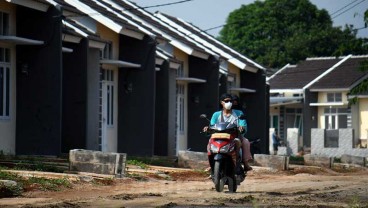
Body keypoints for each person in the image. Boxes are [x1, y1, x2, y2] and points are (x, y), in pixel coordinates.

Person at [203, 93, 253, 172]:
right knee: (210, 142)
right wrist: (207, 129)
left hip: (234, 136)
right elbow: (212, 125)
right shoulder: (216, 115)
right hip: (219, 137)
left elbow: (243, 125)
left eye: (230, 101)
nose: (229, 103)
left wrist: (242, 128)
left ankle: (244, 163)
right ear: (221, 102)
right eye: (226, 101)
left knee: (245, 142)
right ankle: (211, 164)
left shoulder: (239, 113)